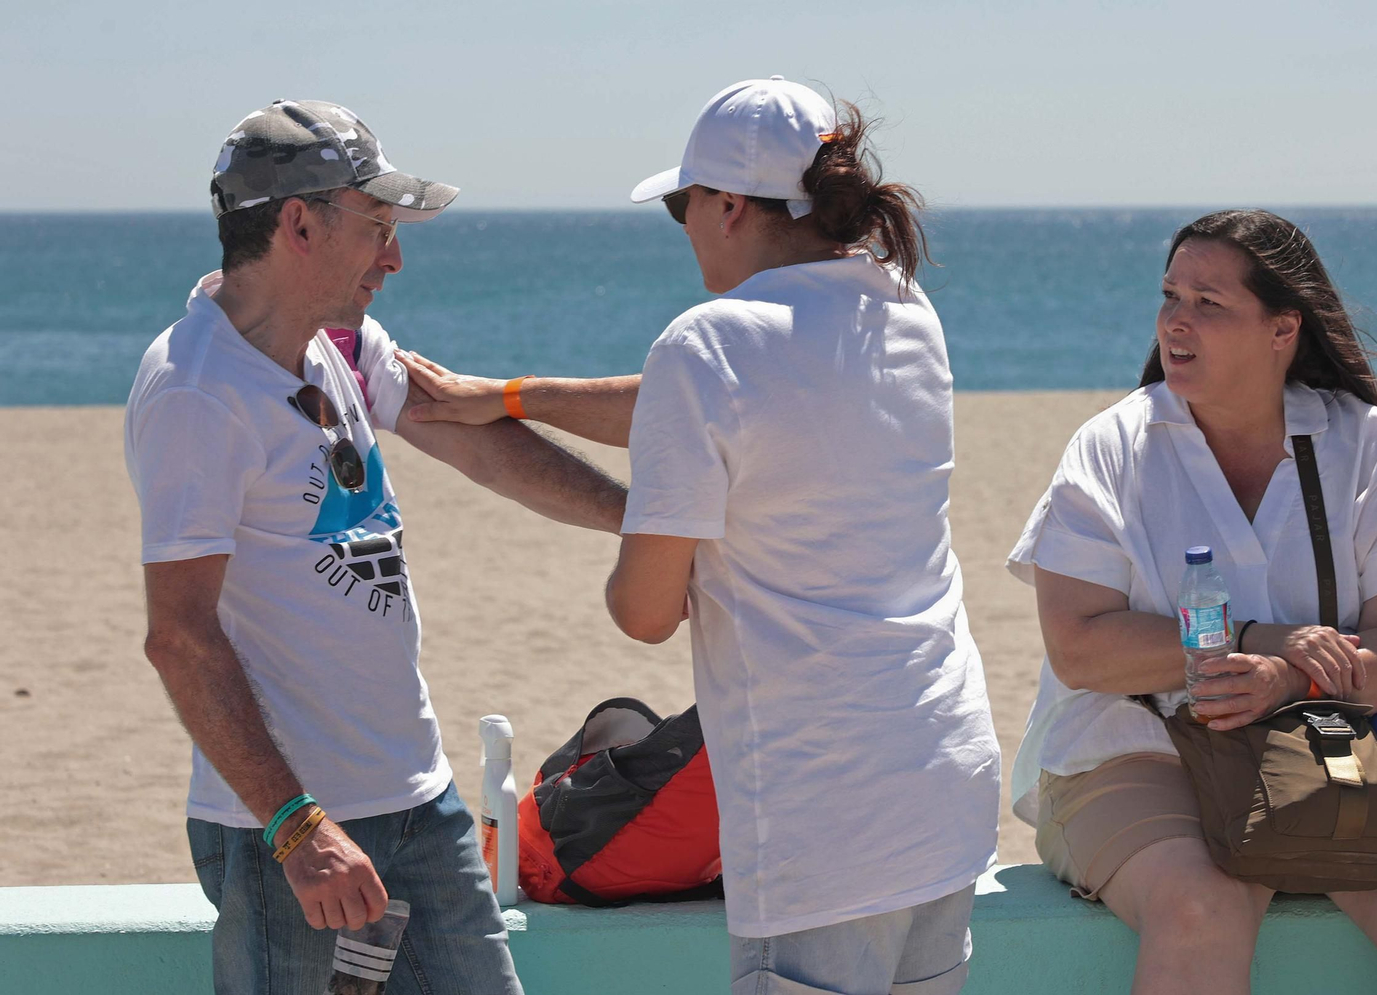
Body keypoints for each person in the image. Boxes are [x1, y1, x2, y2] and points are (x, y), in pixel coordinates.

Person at [399, 77, 1002, 995]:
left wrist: (671, 549)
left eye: (681, 205)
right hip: (942, 780)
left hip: (821, 808)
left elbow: (644, 612)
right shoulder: (904, 307)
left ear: (726, 206)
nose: (681, 226)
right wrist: (514, 396)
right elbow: (713, 401)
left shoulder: (707, 347)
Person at [124, 99, 626, 994]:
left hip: (416, 799)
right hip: (294, 831)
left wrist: (646, 525)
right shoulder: (197, 391)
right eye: (379, 227)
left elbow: (479, 445)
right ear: (299, 222)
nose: (394, 258)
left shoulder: (339, 343)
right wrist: (295, 826)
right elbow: (181, 636)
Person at [1005, 209, 1377, 994]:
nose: (1177, 320)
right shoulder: (1111, 446)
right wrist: (1254, 640)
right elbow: (1079, 646)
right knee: (1201, 903)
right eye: (1170, 295)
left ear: (1283, 329)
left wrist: (1297, 680)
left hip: (1349, 730)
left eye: (1209, 303)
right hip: (1138, 736)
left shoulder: (1363, 442)